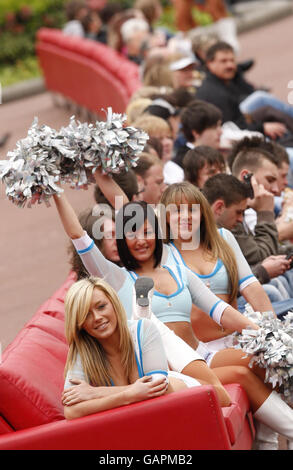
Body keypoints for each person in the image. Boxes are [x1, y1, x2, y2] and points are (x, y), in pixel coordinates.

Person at [62, 276, 202, 419]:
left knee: (219, 393)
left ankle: (143, 313)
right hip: (149, 414)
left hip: (186, 394)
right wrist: (128, 395)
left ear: (114, 303)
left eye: (101, 306)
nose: (97, 317)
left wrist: (95, 393)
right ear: (79, 323)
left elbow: (159, 389)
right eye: (86, 314)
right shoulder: (82, 351)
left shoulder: (145, 329)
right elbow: (71, 412)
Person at [202, 173, 293, 315]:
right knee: (271, 290)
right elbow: (217, 290)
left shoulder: (224, 230)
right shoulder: (200, 234)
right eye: (239, 213)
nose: (240, 219)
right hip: (219, 314)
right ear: (219, 207)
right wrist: (265, 212)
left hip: (229, 305)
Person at [195, 41, 290, 141]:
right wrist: (262, 128)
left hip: (239, 129)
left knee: (267, 110)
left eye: (232, 60)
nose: (230, 65)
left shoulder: (224, 81)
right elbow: (233, 130)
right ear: (210, 63)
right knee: (261, 98)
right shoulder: (215, 93)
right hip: (231, 142)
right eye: (223, 61)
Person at [173, 99, 223, 168]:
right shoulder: (179, 165)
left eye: (220, 125)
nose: (221, 132)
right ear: (196, 132)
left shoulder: (214, 156)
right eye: (214, 127)